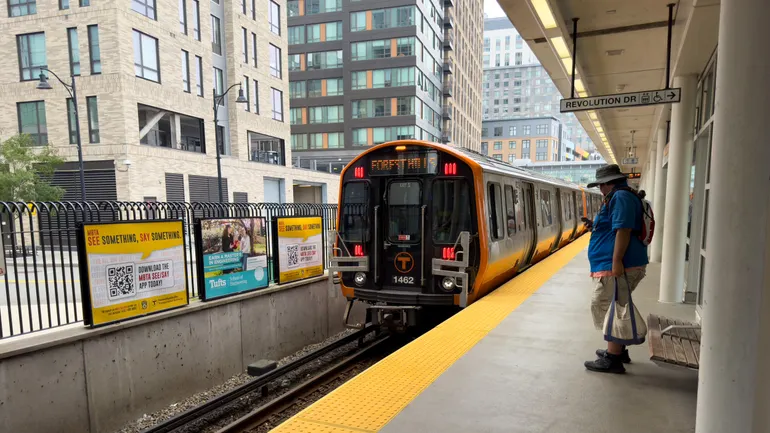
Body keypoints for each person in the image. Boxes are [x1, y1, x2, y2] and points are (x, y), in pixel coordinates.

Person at [584, 164, 649, 374]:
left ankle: (613, 358)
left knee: (607, 304)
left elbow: (623, 230)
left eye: (601, 185)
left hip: (621, 265)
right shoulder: (621, 196)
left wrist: (616, 261)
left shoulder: (620, 197)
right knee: (616, 304)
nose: (600, 189)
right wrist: (595, 226)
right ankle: (618, 350)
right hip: (618, 264)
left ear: (608, 183)